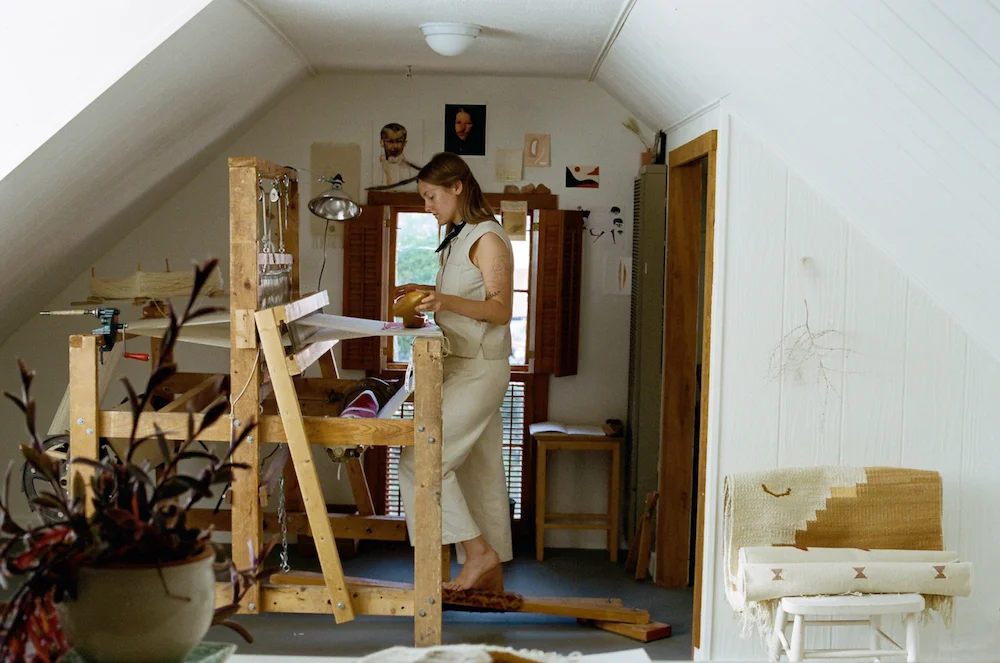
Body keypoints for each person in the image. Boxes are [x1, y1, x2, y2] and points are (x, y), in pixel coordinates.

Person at [396, 152, 513, 592]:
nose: (427, 206)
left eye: (431, 196)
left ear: (457, 188)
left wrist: (443, 301)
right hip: (459, 365)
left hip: (481, 369)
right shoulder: (459, 237)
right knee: (478, 475)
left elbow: (501, 310)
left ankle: (479, 554)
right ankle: (490, 578)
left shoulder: (488, 238)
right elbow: (463, 302)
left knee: (420, 461)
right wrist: (430, 295)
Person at [377, 122, 420, 188]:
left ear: (405, 143)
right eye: (390, 141)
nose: (395, 146)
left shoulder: (413, 169)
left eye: (399, 141)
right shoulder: (376, 166)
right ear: (382, 143)